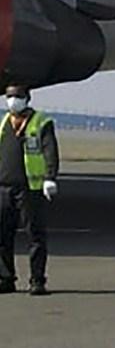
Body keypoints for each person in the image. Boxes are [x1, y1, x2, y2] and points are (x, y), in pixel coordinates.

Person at [0, 85, 59, 296]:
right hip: (4, 188)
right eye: (9, 96)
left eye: (17, 96)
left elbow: (50, 150)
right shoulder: (4, 122)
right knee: (3, 235)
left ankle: (37, 280)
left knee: (35, 235)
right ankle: (5, 278)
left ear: (27, 98)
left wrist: (50, 177)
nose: (12, 100)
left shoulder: (41, 122)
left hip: (30, 188)